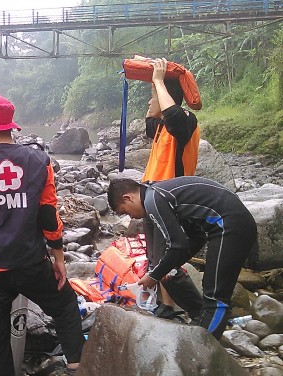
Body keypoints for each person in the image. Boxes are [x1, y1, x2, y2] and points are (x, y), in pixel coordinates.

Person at [0, 93, 86, 375]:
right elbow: (49, 215)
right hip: (31, 262)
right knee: (64, 304)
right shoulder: (40, 161)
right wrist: (59, 257)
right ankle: (77, 364)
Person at [107, 177, 257, 339]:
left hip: (229, 225)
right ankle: (202, 324)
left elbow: (177, 245)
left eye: (125, 211)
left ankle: (204, 348)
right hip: (228, 225)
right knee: (174, 274)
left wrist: (154, 275)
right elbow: (196, 237)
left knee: (215, 296)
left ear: (128, 198)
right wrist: (169, 267)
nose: (131, 217)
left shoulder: (153, 201)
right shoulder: (158, 193)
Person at [141, 57, 203, 320]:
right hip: (152, 197)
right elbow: (148, 125)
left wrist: (159, 81)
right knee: (156, 257)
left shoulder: (185, 120)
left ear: (166, 97)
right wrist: (154, 84)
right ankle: (167, 306)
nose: (149, 102)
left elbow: (174, 113)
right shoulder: (161, 125)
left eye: (152, 96)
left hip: (172, 199)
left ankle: (200, 310)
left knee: (168, 259)